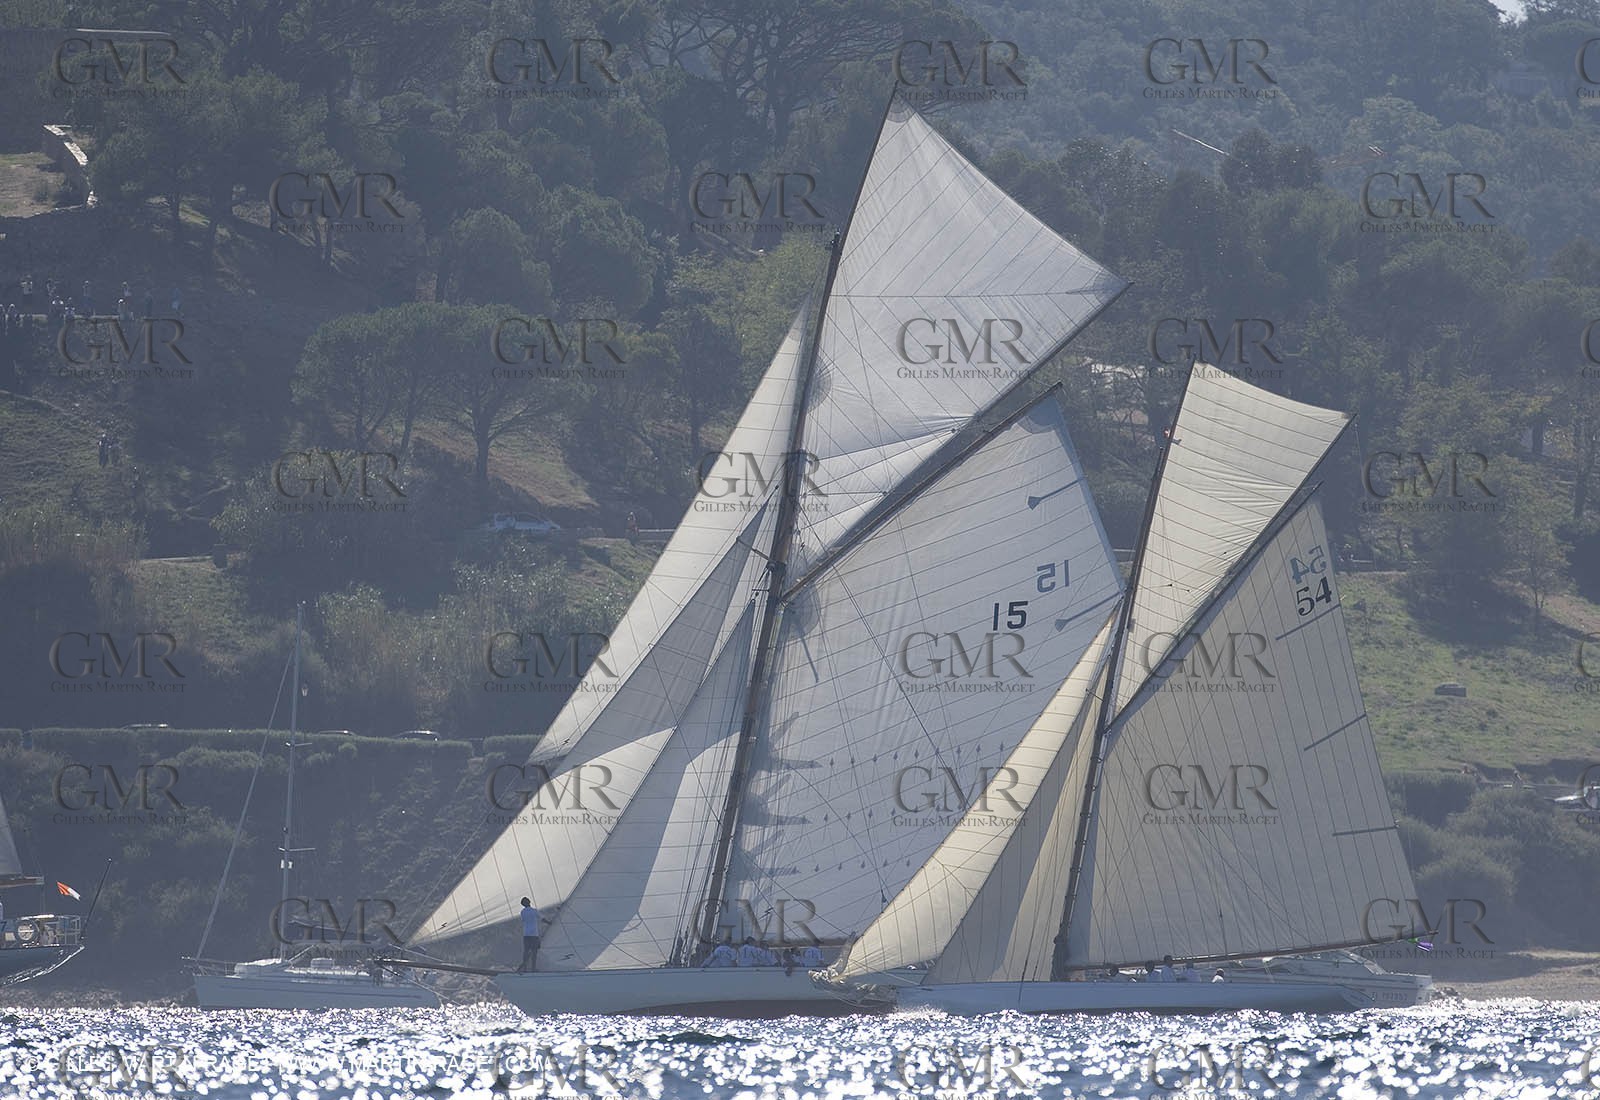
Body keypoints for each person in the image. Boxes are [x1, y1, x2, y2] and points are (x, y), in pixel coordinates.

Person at [517, 896, 540, 972]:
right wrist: (549, 922)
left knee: (526, 952)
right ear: (529, 901)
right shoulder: (534, 911)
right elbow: (542, 918)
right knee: (534, 952)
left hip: (526, 935)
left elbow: (523, 920)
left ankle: (525, 969)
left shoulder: (522, 912)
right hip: (534, 935)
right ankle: (533, 968)